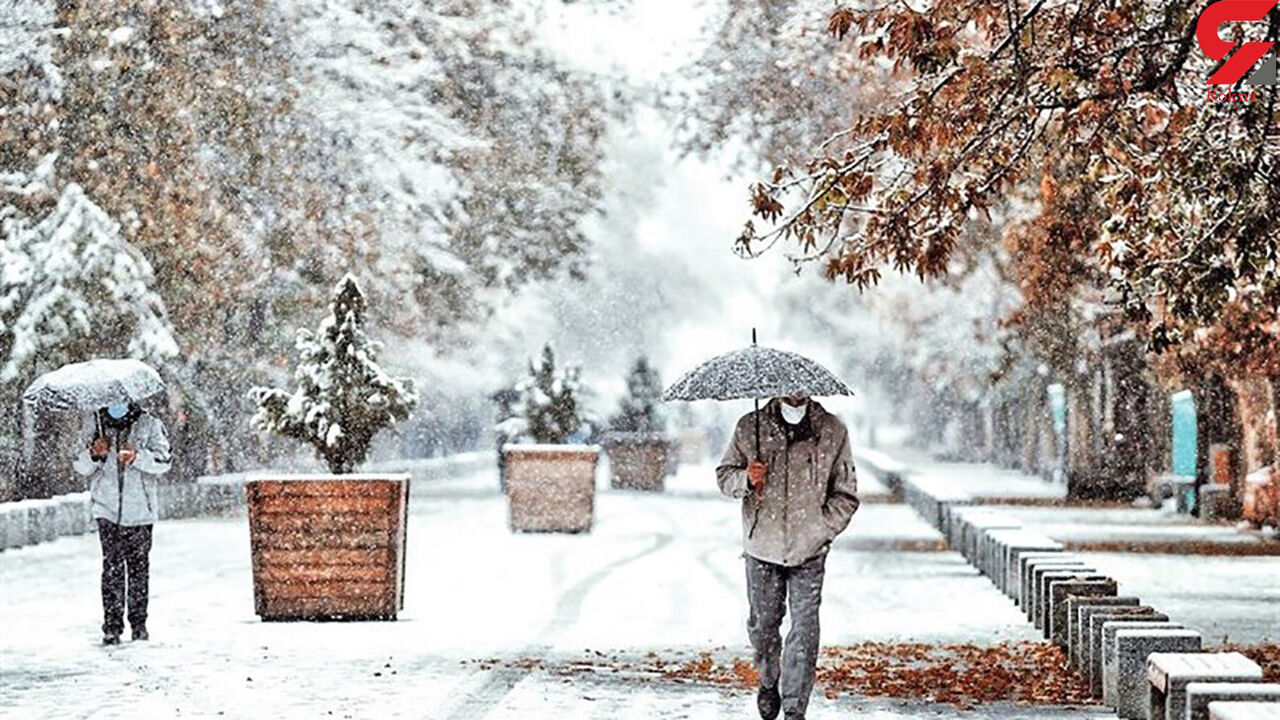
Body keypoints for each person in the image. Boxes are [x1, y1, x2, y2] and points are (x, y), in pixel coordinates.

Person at [716, 395, 860, 720]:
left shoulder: (833, 431)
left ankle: (795, 709)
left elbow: (846, 493)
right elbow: (724, 475)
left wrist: (821, 528)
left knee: (805, 629)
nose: (793, 393)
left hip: (809, 550)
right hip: (762, 547)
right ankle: (770, 680)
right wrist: (746, 479)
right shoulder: (749, 427)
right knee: (764, 626)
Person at [72, 401, 171, 645]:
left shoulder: (149, 424)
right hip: (106, 509)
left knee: (138, 569)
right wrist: (95, 453)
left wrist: (138, 457)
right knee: (112, 568)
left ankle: (139, 624)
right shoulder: (94, 424)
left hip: (140, 511)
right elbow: (80, 465)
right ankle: (112, 626)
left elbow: (164, 461)